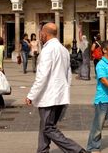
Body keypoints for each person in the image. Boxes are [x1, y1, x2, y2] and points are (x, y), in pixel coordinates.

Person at [25, 22, 84, 153]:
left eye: (41, 33)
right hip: (59, 94)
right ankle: (42, 150)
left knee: (48, 128)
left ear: (44, 34)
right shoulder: (63, 49)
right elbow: (68, 74)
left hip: (49, 96)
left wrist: (31, 95)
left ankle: (77, 150)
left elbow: (42, 76)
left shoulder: (48, 50)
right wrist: (65, 91)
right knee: (45, 125)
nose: (40, 36)